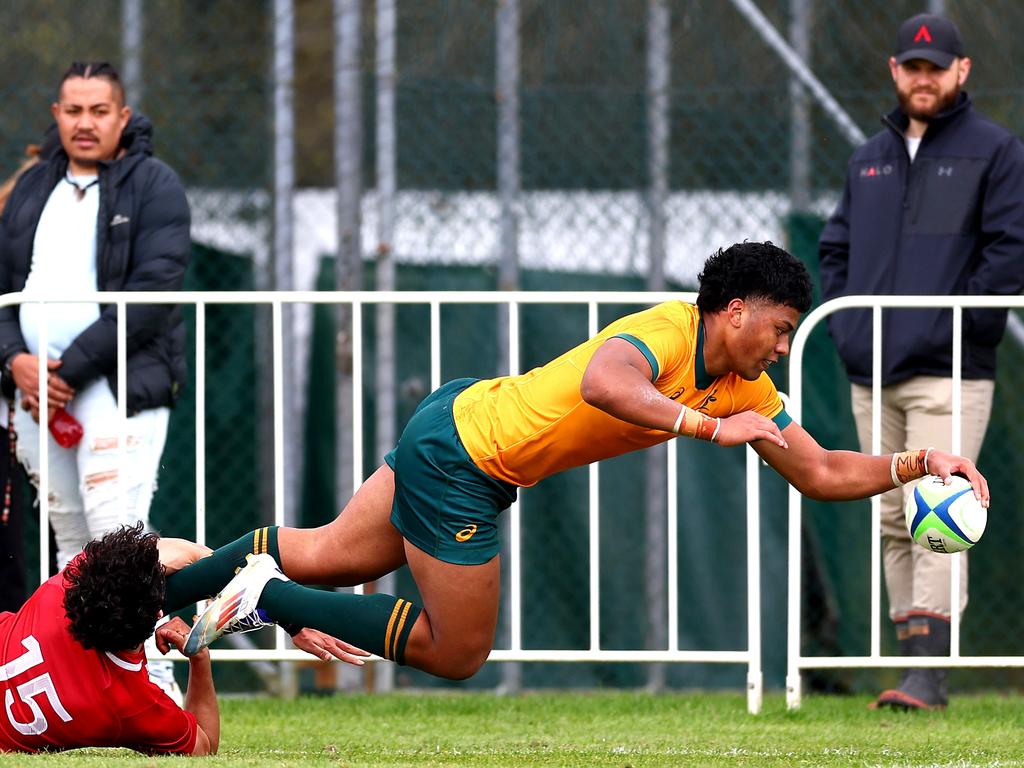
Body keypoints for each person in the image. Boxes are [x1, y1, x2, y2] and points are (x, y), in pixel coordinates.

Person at [153, 242, 989, 683]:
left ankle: (149, 594)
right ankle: (264, 597)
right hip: (466, 459)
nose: (782, 345)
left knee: (328, 554)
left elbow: (822, 473)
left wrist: (920, 461)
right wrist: (703, 430)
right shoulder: (667, 332)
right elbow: (603, 380)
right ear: (735, 310)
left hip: (456, 419)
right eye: (776, 327)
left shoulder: (748, 389)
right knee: (456, 652)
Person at [818, 13, 1024, 711]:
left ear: (962, 72)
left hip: (950, 368)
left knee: (937, 506)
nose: (923, 77)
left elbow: (1007, 254)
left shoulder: (995, 151)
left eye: (937, 67)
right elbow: (835, 251)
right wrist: (851, 332)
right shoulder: (868, 157)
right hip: (869, 367)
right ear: (894, 71)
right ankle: (911, 667)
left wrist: (943, 325)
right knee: (889, 517)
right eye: (912, 66)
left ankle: (928, 676)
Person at [0, 62, 190, 699]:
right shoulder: (29, 188)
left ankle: (154, 683)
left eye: (99, 111)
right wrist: (15, 363)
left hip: (119, 388)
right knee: (68, 537)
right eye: (73, 110)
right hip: (32, 395)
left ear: (123, 117)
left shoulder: (155, 184)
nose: (85, 123)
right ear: (56, 114)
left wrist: (68, 370)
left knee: (121, 538)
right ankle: (82, 688)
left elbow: (156, 291)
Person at [0, 523, 218, 754]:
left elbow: (159, 552)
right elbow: (204, 746)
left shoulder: (59, 590)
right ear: (158, 615)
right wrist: (199, 656)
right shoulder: (132, 704)